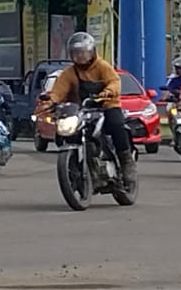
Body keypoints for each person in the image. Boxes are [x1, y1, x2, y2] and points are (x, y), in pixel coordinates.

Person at [45, 31, 135, 188]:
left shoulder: (103, 67)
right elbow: (59, 91)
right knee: (65, 132)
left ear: (92, 52)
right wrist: (51, 101)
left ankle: (126, 162)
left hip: (106, 106)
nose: (79, 56)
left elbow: (114, 81)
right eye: (75, 53)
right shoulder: (69, 73)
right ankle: (76, 167)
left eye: (83, 52)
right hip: (81, 111)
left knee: (116, 126)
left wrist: (108, 92)